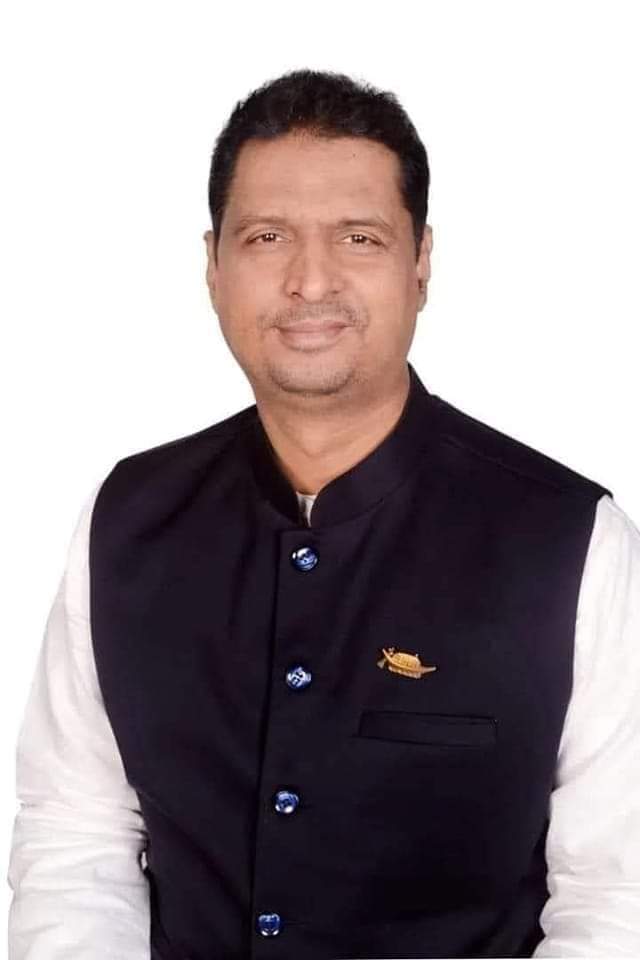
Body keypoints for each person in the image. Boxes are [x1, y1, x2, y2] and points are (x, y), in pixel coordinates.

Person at [6, 68, 640, 960]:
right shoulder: (128, 518)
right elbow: (76, 835)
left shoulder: (573, 542)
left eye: (359, 237)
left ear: (421, 263)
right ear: (214, 265)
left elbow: (619, 899)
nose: (310, 281)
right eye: (267, 237)